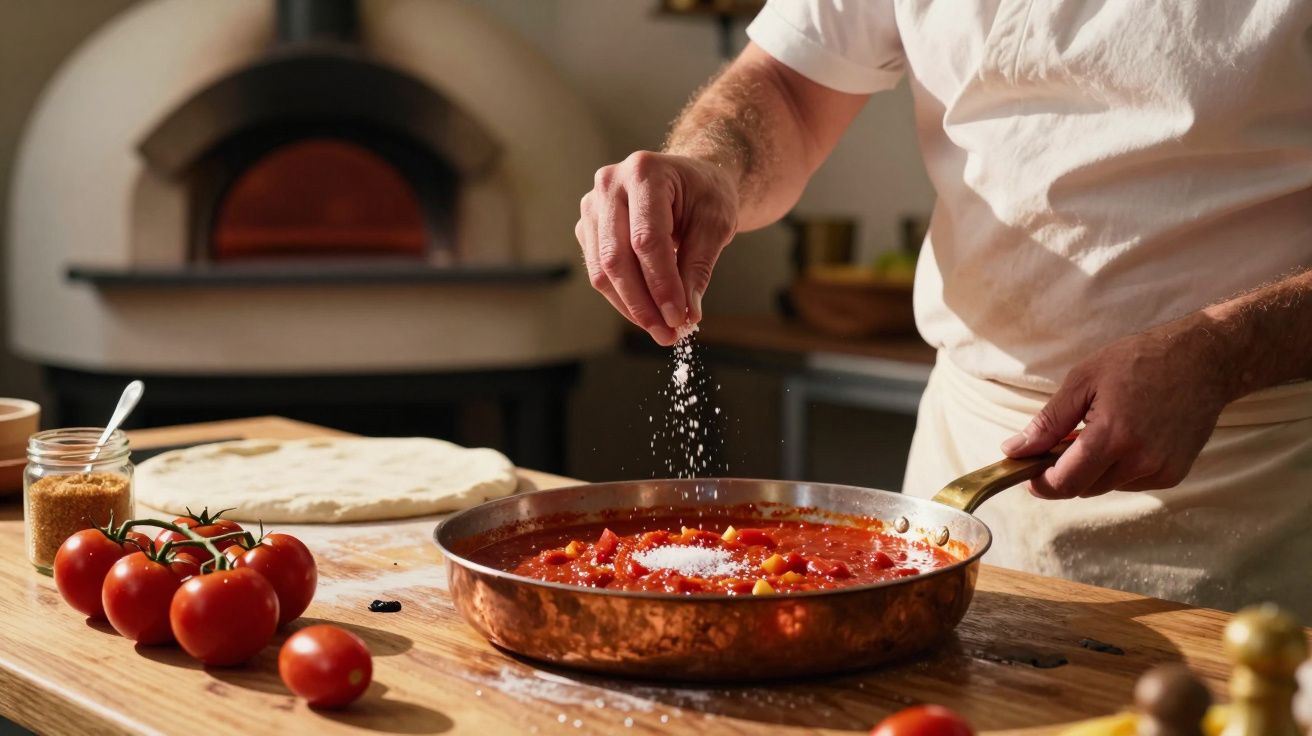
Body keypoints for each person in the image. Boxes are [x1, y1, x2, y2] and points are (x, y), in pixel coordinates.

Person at [574, 1, 1312, 616]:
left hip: (1259, 481)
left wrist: (1222, 350)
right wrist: (712, 166)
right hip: (967, 460)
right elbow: (791, 90)